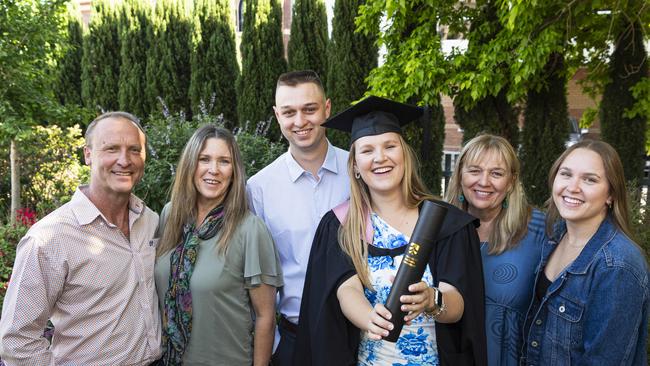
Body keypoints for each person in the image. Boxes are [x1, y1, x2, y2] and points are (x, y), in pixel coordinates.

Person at [295, 96, 487, 366]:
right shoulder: (342, 224)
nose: (380, 157)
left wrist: (432, 299)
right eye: (367, 150)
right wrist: (368, 317)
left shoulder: (445, 223)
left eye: (389, 146)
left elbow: (459, 305)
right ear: (355, 166)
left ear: (404, 155)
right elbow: (345, 289)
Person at [0, 112, 161, 365]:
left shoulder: (149, 221)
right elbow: (17, 342)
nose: (124, 160)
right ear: (88, 155)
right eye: (111, 149)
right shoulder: (49, 239)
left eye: (134, 150)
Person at [154, 125, 283, 365]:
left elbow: (266, 317)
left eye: (224, 161)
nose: (213, 170)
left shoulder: (249, 230)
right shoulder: (171, 216)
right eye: (204, 159)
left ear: (234, 172)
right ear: (190, 165)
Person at [247, 70, 349, 365]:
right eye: (289, 112)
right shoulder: (259, 189)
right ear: (277, 115)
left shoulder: (359, 170)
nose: (300, 121)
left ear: (327, 109)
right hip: (293, 342)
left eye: (310, 109)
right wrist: (276, 345)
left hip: (358, 336)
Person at [521, 140, 649, 365]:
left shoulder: (618, 265)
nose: (573, 187)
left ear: (611, 194)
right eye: (566, 174)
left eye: (590, 179)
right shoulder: (554, 236)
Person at [445, 134, 546, 366]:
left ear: (511, 181)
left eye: (497, 173)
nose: (484, 182)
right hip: (449, 355)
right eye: (475, 170)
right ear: (460, 175)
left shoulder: (539, 229)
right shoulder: (439, 229)